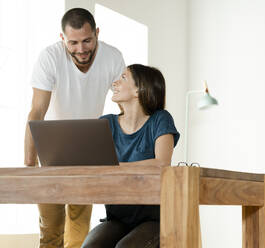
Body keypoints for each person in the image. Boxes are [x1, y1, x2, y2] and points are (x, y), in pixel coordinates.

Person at [24, 8, 125, 248]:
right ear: (63, 39)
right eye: (73, 42)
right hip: (52, 152)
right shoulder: (49, 57)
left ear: (97, 33)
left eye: (87, 40)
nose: (81, 49)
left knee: (79, 232)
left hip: (88, 152)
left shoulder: (112, 57)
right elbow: (37, 111)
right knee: (50, 231)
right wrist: (29, 165)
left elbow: (126, 106)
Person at [81, 64, 179, 248]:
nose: (115, 83)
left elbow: (162, 164)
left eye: (123, 78)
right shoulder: (106, 124)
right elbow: (93, 166)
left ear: (139, 89)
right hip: (117, 218)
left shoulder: (160, 119)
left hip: (154, 220)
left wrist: (114, 166)